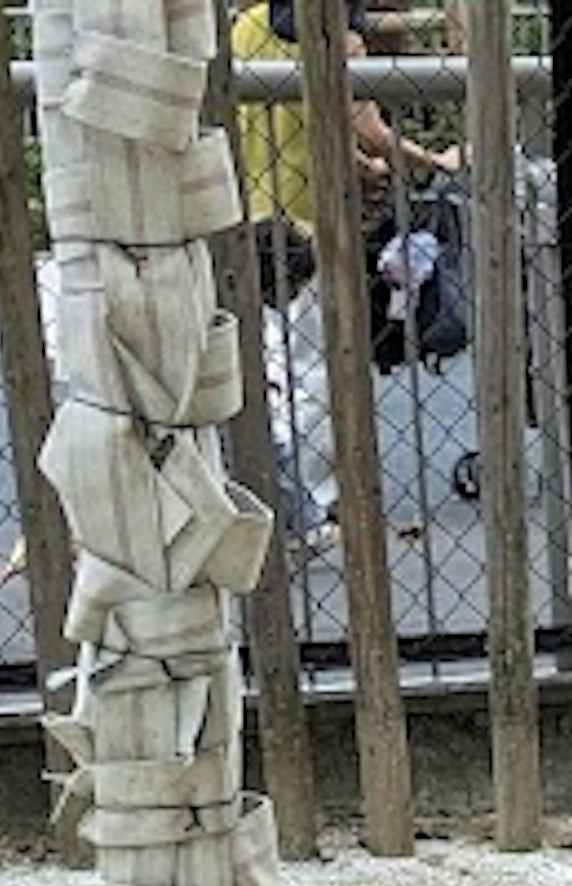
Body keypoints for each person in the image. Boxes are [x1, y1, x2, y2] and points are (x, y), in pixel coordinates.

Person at [229, 0, 457, 548]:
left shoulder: (244, 30)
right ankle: (306, 501)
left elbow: (289, 125)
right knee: (315, 371)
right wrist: (434, 161)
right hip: (314, 224)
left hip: (254, 217)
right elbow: (367, 128)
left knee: (268, 365)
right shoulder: (333, 36)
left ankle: (271, 490)